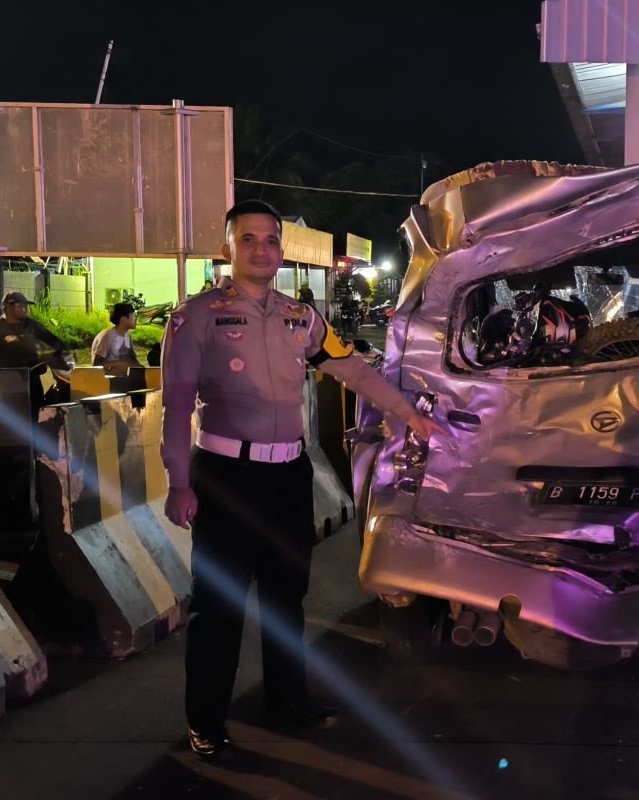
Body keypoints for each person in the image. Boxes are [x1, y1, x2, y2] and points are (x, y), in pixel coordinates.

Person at [160, 200, 446, 761]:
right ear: (228, 248)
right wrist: (178, 482)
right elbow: (174, 408)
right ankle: (206, 721)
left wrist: (406, 412)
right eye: (248, 239)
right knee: (218, 606)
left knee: (286, 597)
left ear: (281, 250)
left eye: (270, 240)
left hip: (289, 474)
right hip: (225, 477)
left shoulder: (301, 317)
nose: (261, 249)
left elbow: (351, 367)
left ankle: (287, 699)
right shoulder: (196, 317)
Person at [0, 291, 71, 412]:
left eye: (26, 305)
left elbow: (57, 343)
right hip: (5, 383)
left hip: (32, 379)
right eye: (21, 306)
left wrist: (54, 357)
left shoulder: (32, 325)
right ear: (8, 307)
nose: (26, 309)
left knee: (34, 413)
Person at [91, 302, 141, 371]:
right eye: (133, 315)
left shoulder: (128, 336)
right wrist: (119, 364)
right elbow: (96, 364)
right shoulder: (107, 336)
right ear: (123, 318)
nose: (136, 318)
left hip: (123, 379)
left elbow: (133, 361)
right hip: (106, 380)